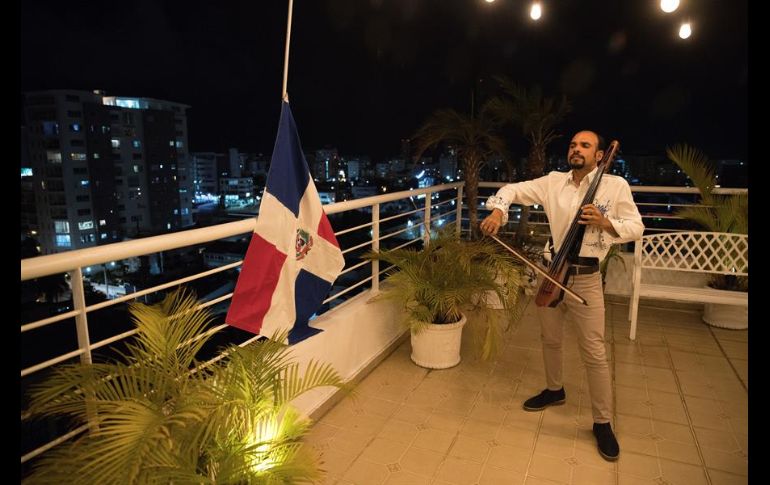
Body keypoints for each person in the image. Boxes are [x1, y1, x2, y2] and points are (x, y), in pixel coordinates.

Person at [479, 130, 644, 461]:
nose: (576, 149)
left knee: (594, 352)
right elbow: (512, 189)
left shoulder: (615, 187)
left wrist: (606, 222)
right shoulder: (553, 181)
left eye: (585, 145)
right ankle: (555, 390)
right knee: (550, 339)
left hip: (585, 278)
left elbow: (636, 226)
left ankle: (602, 422)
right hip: (551, 271)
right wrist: (498, 210)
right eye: (572, 145)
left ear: (599, 155)